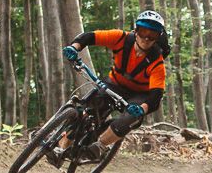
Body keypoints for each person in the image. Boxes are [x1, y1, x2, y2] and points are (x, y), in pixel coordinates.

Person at [56, 9, 168, 159]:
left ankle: (99, 146)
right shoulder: (121, 38)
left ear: (157, 37)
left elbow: (155, 97)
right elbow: (90, 37)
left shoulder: (157, 63)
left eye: (152, 35)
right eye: (143, 32)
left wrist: (142, 109)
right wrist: (74, 47)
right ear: (136, 31)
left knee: (130, 118)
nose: (146, 38)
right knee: (87, 110)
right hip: (114, 84)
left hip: (138, 95)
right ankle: (60, 150)